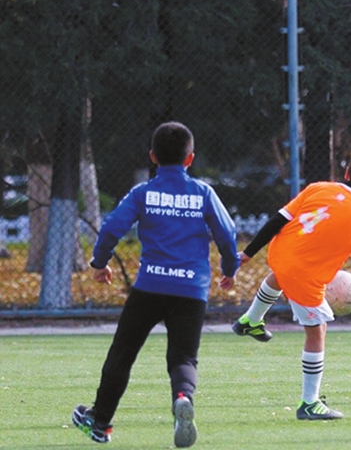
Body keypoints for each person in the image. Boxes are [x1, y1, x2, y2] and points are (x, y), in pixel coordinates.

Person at [72, 122, 239, 447]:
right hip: (191, 289)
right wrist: (229, 268)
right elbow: (227, 234)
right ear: (190, 159)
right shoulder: (203, 193)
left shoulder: (143, 193)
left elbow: (111, 227)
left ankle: (101, 423)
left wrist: (99, 262)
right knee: (183, 358)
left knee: (122, 353)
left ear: (152, 157)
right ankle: (182, 397)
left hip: (150, 286)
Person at [232, 149, 351, 420]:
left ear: (346, 173)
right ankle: (310, 404)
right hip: (303, 275)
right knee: (317, 330)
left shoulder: (317, 188)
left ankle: (250, 320)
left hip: (280, 252)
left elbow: (277, 220)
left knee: (282, 273)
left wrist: (247, 254)